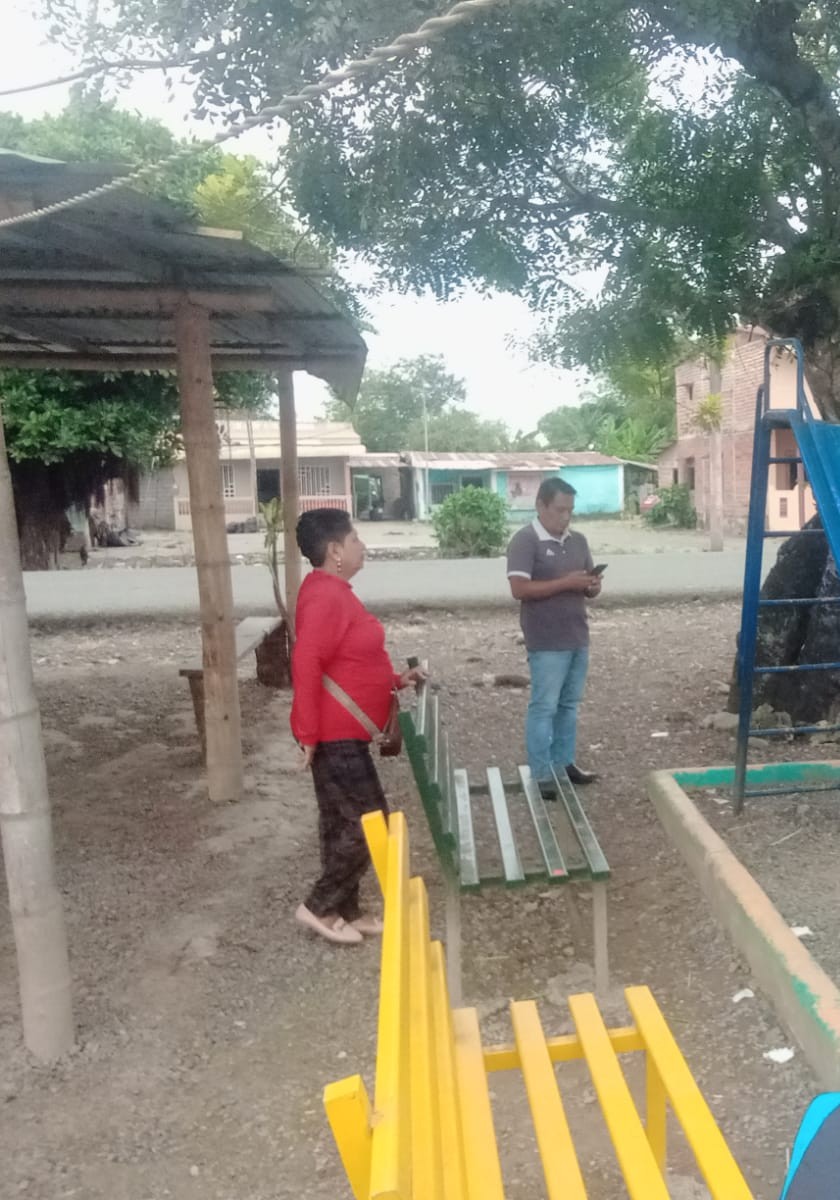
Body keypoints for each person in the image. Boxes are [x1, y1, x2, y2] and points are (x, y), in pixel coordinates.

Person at [291, 507, 425, 945]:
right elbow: (306, 662)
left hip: (343, 734)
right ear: (335, 550)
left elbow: (352, 660)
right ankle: (318, 906)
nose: (362, 546)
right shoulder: (326, 596)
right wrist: (307, 733)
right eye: (354, 539)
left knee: (342, 823)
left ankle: (345, 909)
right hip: (335, 736)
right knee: (370, 825)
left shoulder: (333, 591)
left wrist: (396, 680)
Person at [506, 477, 602, 798]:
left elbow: (588, 587)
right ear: (541, 506)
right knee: (544, 706)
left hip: (577, 634)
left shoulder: (578, 541)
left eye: (570, 510)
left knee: (569, 705)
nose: (566, 517)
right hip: (545, 639)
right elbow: (519, 589)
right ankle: (541, 772)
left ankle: (564, 763)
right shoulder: (525, 541)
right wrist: (566, 583)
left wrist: (591, 586)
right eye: (560, 510)